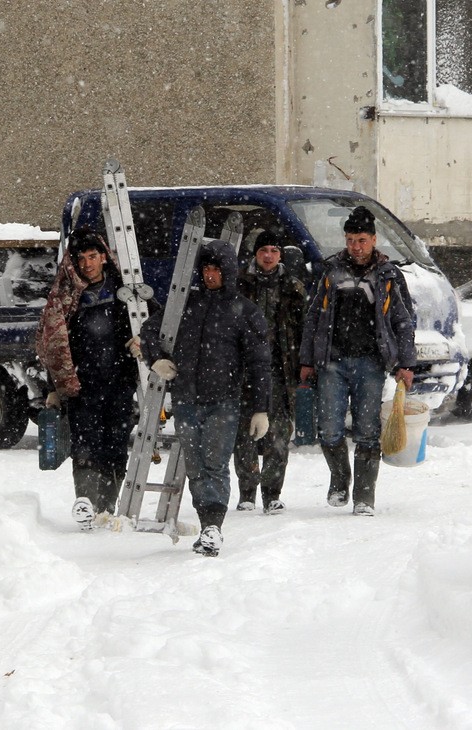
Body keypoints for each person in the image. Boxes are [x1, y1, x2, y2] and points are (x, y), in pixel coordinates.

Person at [138, 237, 271, 556]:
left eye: (216, 269)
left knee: (214, 464)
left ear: (228, 271)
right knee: (196, 466)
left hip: (223, 401)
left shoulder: (244, 311)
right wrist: (155, 358)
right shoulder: (184, 304)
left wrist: (260, 409)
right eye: (206, 269)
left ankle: (214, 527)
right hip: (186, 399)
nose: (210, 275)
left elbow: (259, 362)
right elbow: (149, 331)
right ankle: (206, 521)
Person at [298, 206, 416, 516]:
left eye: (361, 240)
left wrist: (406, 363)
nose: (356, 246)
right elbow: (313, 318)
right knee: (329, 429)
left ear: (374, 240)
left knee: (367, 430)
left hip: (371, 363)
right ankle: (340, 479)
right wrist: (307, 359)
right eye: (350, 240)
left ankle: (364, 497)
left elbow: (404, 321)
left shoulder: (389, 275)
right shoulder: (331, 271)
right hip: (332, 362)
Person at [36, 228, 138, 529]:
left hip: (119, 381)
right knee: (84, 444)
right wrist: (54, 387)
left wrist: (141, 340)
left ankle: (108, 506)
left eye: (92, 257)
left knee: (115, 444)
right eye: (80, 258)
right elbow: (51, 341)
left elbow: (150, 320)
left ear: (104, 257)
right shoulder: (65, 297)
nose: (87, 264)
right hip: (83, 384)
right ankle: (87, 504)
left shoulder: (124, 291)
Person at [233, 231, 307, 514]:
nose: (268, 256)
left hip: (279, 372)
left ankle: (272, 493)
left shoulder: (293, 287)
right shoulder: (240, 284)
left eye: (274, 250)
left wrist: (305, 366)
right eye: (263, 250)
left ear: (281, 255)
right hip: (244, 372)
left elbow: (303, 331)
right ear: (255, 253)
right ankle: (247, 493)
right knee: (245, 434)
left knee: (278, 435)